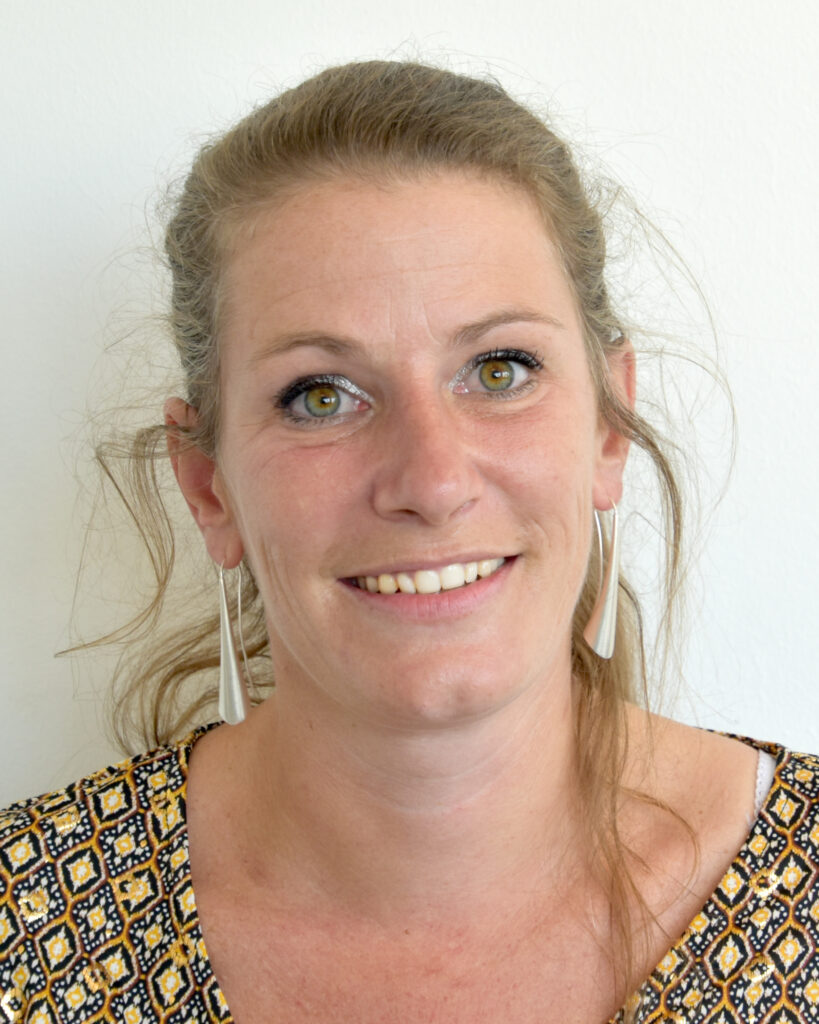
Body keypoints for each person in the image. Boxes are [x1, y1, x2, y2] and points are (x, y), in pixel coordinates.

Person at [1, 60, 817, 1024]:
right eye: (320, 396)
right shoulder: (24, 922)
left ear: (607, 429)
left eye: (498, 369)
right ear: (207, 485)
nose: (432, 483)